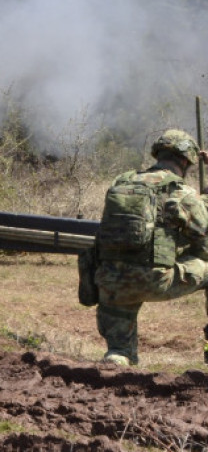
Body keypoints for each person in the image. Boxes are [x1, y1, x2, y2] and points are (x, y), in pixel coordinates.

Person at [94, 129, 208, 366]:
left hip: (111, 284)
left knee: (118, 353)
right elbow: (203, 232)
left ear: (158, 155)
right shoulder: (181, 192)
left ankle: (118, 353)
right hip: (154, 280)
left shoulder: (121, 183)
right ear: (186, 160)